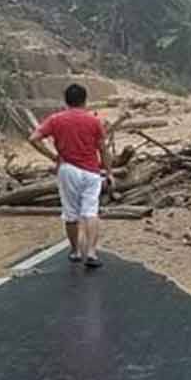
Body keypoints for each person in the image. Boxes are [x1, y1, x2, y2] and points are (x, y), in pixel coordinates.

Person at [29, 84, 113, 268]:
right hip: (91, 171)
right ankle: (91, 252)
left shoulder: (55, 119)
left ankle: (75, 251)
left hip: (67, 169)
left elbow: (33, 138)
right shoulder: (94, 121)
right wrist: (108, 171)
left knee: (71, 213)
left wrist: (52, 156)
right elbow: (103, 149)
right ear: (85, 100)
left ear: (66, 100)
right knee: (91, 212)